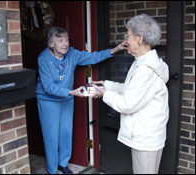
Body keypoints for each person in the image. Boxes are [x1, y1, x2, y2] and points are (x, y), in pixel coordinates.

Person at [36, 26, 126, 174]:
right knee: (51, 135)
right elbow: (48, 87)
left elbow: (92, 57)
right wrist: (71, 92)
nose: (65, 43)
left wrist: (114, 50)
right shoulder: (43, 58)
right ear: (51, 44)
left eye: (67, 39)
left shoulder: (71, 54)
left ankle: (62, 163)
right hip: (48, 100)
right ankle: (52, 169)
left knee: (65, 132)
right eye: (60, 40)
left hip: (67, 98)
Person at [91, 14, 169, 174]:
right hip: (145, 133)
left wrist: (104, 94)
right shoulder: (142, 62)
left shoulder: (145, 70)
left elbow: (127, 103)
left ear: (139, 38)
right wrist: (106, 84)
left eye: (128, 36)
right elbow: (129, 90)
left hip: (146, 137)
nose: (125, 40)